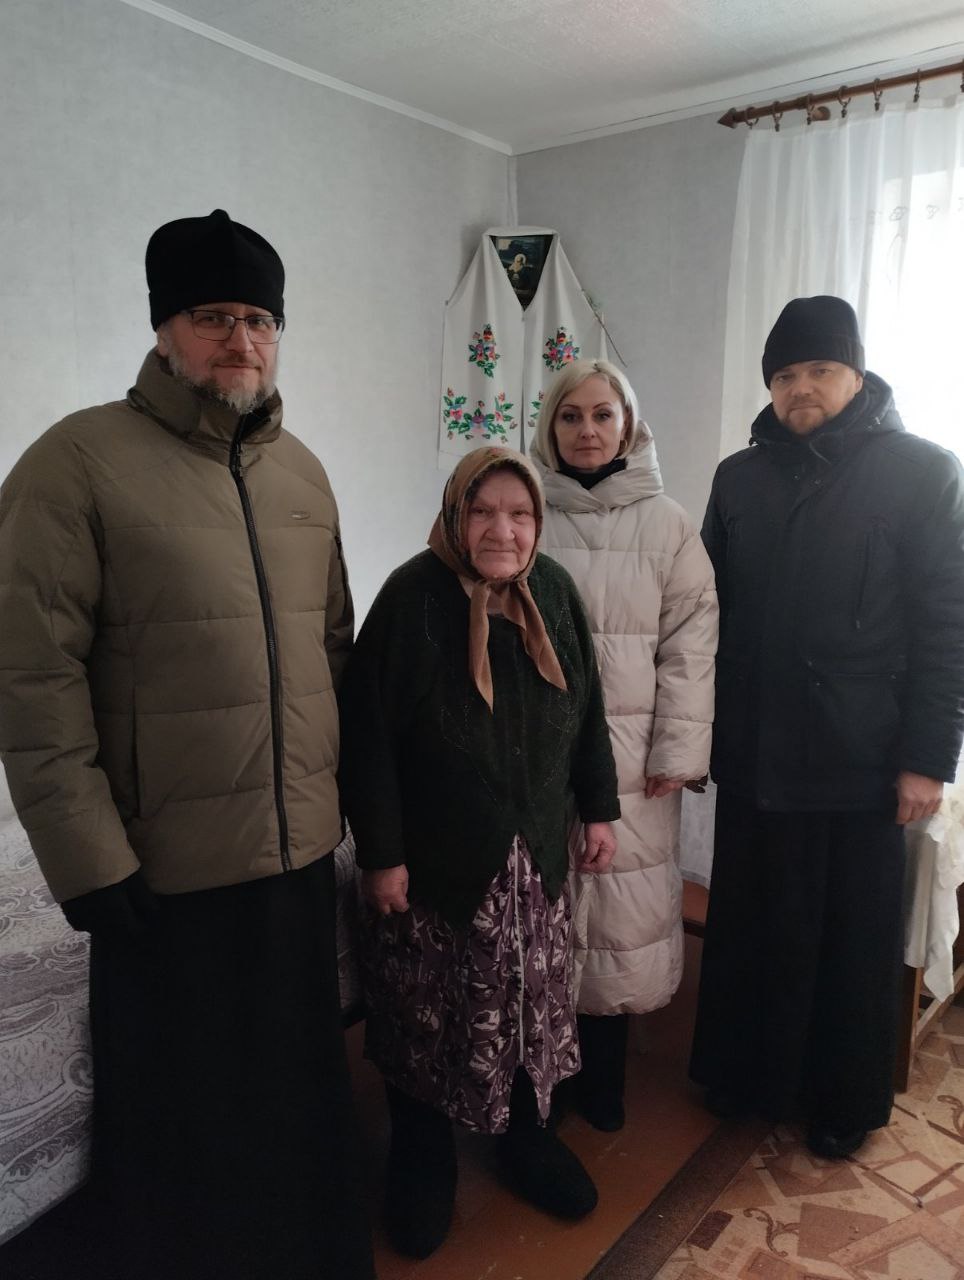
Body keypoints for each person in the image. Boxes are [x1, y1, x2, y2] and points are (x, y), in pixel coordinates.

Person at [0, 210, 374, 1279]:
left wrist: (348, 809)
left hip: (297, 854)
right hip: (164, 874)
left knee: (297, 1098)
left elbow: (332, 650)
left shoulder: (302, 472)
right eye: (213, 316)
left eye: (260, 318)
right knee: (183, 1130)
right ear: (164, 327)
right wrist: (89, 861)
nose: (240, 340)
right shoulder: (75, 464)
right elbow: (30, 678)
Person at [690, 295, 964, 1160]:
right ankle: (745, 1076)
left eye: (818, 369)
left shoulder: (925, 472)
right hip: (754, 748)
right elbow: (705, 617)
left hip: (862, 755)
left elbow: (947, 626)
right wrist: (696, 736)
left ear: (856, 373)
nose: (799, 387)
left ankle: (842, 1099)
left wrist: (928, 758)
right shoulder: (738, 477)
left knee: (849, 939)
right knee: (753, 925)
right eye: (783, 374)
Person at [338, 446, 620, 1259]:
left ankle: (526, 1139)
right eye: (484, 511)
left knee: (531, 1009)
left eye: (520, 514)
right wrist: (381, 853)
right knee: (424, 1016)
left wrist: (599, 809)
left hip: (535, 862)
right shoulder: (411, 598)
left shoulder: (554, 593)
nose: (503, 530)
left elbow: (588, 709)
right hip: (435, 867)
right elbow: (367, 738)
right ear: (456, 515)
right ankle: (422, 1158)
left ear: (538, 522)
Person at [530, 359, 718, 1131]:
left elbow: (690, 644)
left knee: (616, 921)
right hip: (538, 754)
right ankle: (541, 1082)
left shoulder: (668, 524)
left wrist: (677, 750)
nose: (587, 430)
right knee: (542, 914)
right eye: (571, 415)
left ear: (628, 424)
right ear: (550, 425)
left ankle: (602, 1080)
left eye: (602, 415)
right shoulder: (524, 509)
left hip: (633, 759)